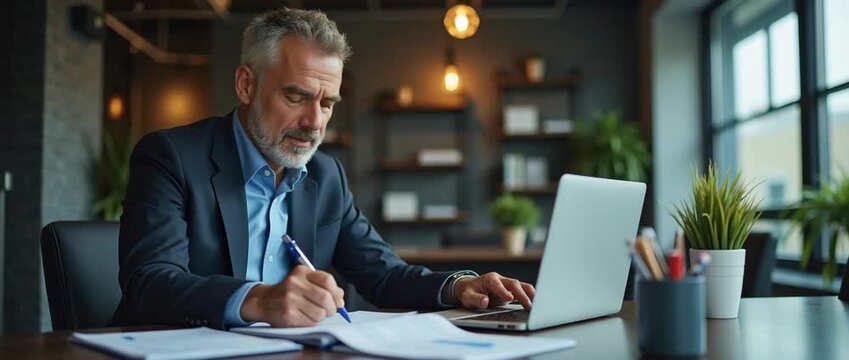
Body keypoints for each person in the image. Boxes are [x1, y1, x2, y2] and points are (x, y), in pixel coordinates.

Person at [113, 7, 534, 329]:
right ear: (246, 85)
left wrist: (459, 287)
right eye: (296, 97)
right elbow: (149, 282)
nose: (315, 122)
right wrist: (257, 300)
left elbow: (384, 275)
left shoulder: (325, 176)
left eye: (327, 103)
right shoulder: (170, 156)